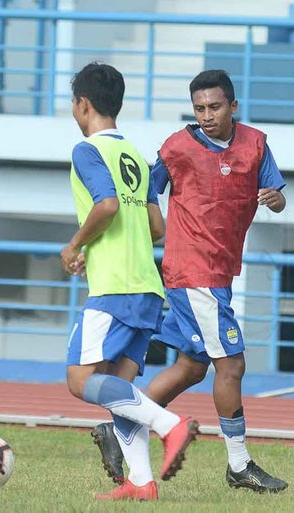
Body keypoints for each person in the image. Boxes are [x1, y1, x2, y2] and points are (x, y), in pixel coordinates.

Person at [93, 69, 288, 493]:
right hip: (193, 270)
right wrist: (149, 230)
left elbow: (277, 195)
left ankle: (119, 424)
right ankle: (239, 465)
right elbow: (144, 189)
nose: (206, 115)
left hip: (219, 270)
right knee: (231, 364)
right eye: (199, 108)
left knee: (191, 367)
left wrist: (275, 199)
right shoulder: (178, 147)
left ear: (233, 106)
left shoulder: (256, 144)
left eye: (215, 107)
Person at [61, 62, 198, 502]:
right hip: (145, 285)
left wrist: (75, 245)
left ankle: (169, 425)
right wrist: (95, 246)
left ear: (82, 105)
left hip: (115, 286)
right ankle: (141, 482)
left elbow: (106, 206)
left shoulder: (87, 151)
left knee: (80, 380)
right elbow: (156, 225)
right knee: (119, 389)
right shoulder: (135, 156)